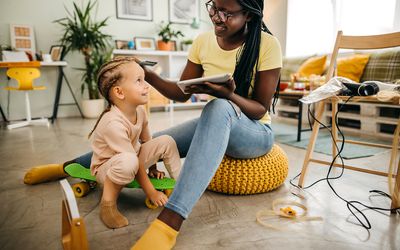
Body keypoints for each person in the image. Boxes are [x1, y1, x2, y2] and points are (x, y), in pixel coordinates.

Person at [25, 0, 281, 248]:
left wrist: (229, 96)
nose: (216, 17)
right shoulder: (203, 41)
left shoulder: (267, 45)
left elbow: (259, 110)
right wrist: (147, 74)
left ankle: (170, 222)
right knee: (150, 143)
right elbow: (180, 93)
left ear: (248, 14)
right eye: (214, 7)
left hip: (255, 134)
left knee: (218, 107)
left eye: (227, 13)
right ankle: (64, 167)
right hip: (221, 118)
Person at [88, 57, 182, 229]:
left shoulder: (140, 111)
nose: (146, 85)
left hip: (132, 157)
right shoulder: (112, 123)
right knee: (129, 161)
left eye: (144, 80)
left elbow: (147, 141)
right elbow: (134, 161)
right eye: (139, 81)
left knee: (166, 141)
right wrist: (151, 192)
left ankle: (182, 185)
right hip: (107, 168)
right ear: (119, 92)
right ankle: (107, 204)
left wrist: (154, 169)